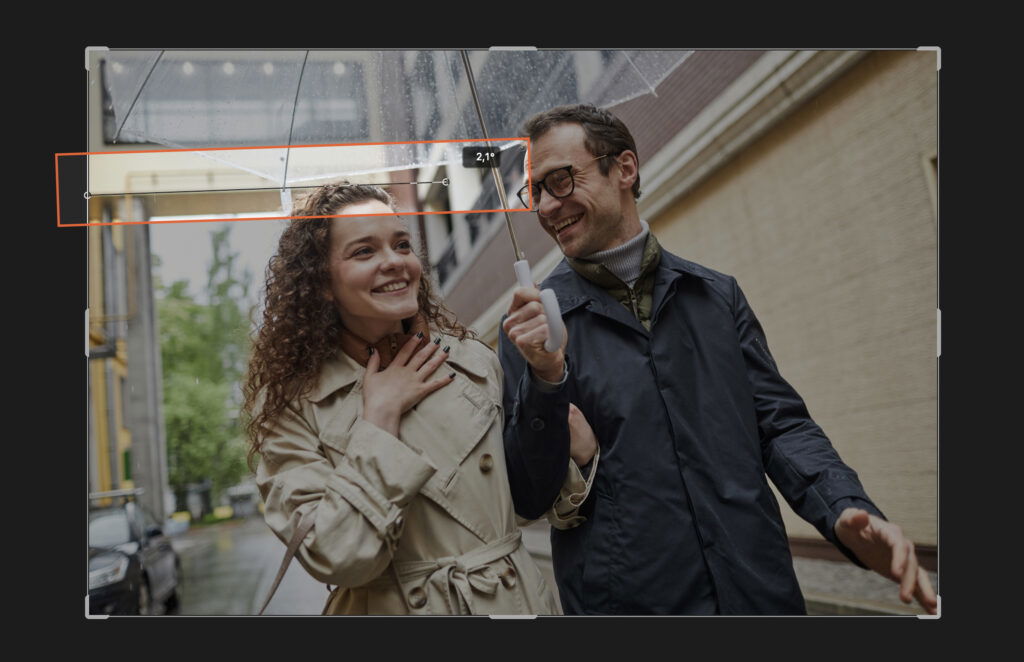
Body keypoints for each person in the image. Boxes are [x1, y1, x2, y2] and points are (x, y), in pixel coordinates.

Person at [499, 104, 938, 615]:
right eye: (537, 191)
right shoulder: (528, 331)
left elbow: (781, 426)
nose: (548, 207)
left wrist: (843, 511)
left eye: (561, 180)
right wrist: (546, 382)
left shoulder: (715, 296)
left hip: (758, 594)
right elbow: (528, 497)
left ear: (624, 169)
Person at [243, 182, 562, 615]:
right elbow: (339, 556)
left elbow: (528, 501)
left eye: (402, 245)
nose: (394, 263)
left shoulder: (470, 360)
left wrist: (547, 379)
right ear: (321, 284)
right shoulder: (291, 409)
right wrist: (378, 421)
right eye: (364, 252)